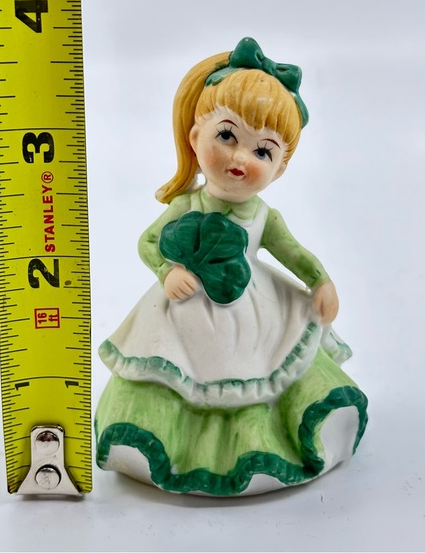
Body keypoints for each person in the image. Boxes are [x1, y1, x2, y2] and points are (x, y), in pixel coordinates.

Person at [95, 37, 368, 496]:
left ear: (279, 169)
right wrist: (168, 272)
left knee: (257, 376)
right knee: (176, 376)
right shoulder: (186, 205)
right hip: (183, 315)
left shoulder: (264, 217)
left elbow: (294, 253)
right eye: (227, 136)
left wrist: (321, 281)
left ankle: (260, 443)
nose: (242, 158)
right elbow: (148, 242)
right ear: (195, 137)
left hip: (255, 318)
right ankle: (174, 445)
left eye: (263, 151)